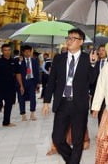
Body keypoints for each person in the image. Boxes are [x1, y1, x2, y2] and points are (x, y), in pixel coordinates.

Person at [42, 28, 97, 164]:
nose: (69, 41)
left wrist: (93, 64)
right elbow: (51, 80)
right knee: (57, 138)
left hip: (79, 104)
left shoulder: (87, 58)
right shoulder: (59, 58)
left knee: (78, 140)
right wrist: (46, 101)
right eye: (68, 38)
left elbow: (92, 80)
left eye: (73, 38)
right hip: (62, 103)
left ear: (81, 42)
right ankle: (72, 160)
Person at [0, 44, 24, 127]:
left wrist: (21, 85)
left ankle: (6, 122)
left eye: (9, 50)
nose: (7, 52)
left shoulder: (14, 61)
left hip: (11, 87)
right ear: (2, 51)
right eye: (5, 50)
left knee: (9, 104)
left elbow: (18, 74)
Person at [17, 45, 40, 121]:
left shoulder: (35, 61)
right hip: (22, 82)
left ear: (31, 52)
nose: (27, 53)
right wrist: (19, 62)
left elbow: (37, 72)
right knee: (21, 98)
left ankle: (32, 114)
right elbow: (17, 72)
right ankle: (23, 114)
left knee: (33, 98)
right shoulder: (19, 61)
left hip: (32, 81)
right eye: (26, 52)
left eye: (29, 52)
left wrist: (38, 83)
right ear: (23, 52)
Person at [91, 44, 108, 125]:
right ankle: (101, 132)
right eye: (100, 50)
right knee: (100, 114)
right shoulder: (96, 63)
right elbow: (92, 79)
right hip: (99, 93)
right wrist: (92, 64)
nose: (101, 52)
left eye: (103, 50)